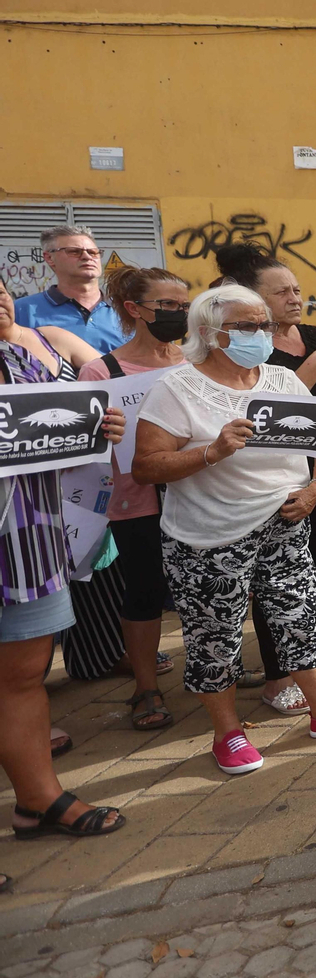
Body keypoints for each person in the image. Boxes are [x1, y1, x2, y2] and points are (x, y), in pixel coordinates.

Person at [133, 285, 316, 775]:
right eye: (249, 326)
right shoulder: (177, 388)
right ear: (210, 334)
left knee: (299, 619)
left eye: (266, 325)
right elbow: (146, 467)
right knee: (217, 637)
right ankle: (227, 733)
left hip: (285, 523)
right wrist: (211, 451)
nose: (262, 335)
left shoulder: (281, 378)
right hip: (209, 537)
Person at [215, 245, 316, 709]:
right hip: (276, 479)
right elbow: (266, 410)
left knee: (315, 568)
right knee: (274, 577)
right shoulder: (249, 347)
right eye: (281, 292)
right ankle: (279, 676)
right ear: (254, 300)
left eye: (297, 289)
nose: (294, 298)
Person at [2, 339, 128, 853]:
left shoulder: (21, 358)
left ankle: (38, 800)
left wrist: (96, 431)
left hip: (28, 538)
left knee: (25, 676)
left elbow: (62, 431)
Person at [76, 267, 193, 731]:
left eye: (183, 306)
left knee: (205, 587)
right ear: (134, 309)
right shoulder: (101, 371)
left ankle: (218, 669)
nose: (178, 314)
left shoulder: (197, 361)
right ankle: (146, 686)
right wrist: (104, 434)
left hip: (199, 493)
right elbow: (84, 449)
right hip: (137, 501)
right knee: (143, 590)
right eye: (167, 306)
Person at [1, 281, 130, 682]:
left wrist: (110, 419)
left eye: (1, 290)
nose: (0, 300)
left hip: (76, 498)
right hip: (20, 510)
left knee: (96, 582)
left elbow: (110, 386)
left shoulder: (49, 339)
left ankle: (100, 658)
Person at [12, 226, 126, 353]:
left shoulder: (128, 309)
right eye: (74, 251)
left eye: (93, 252)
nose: (87, 257)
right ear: (49, 258)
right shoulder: (21, 311)